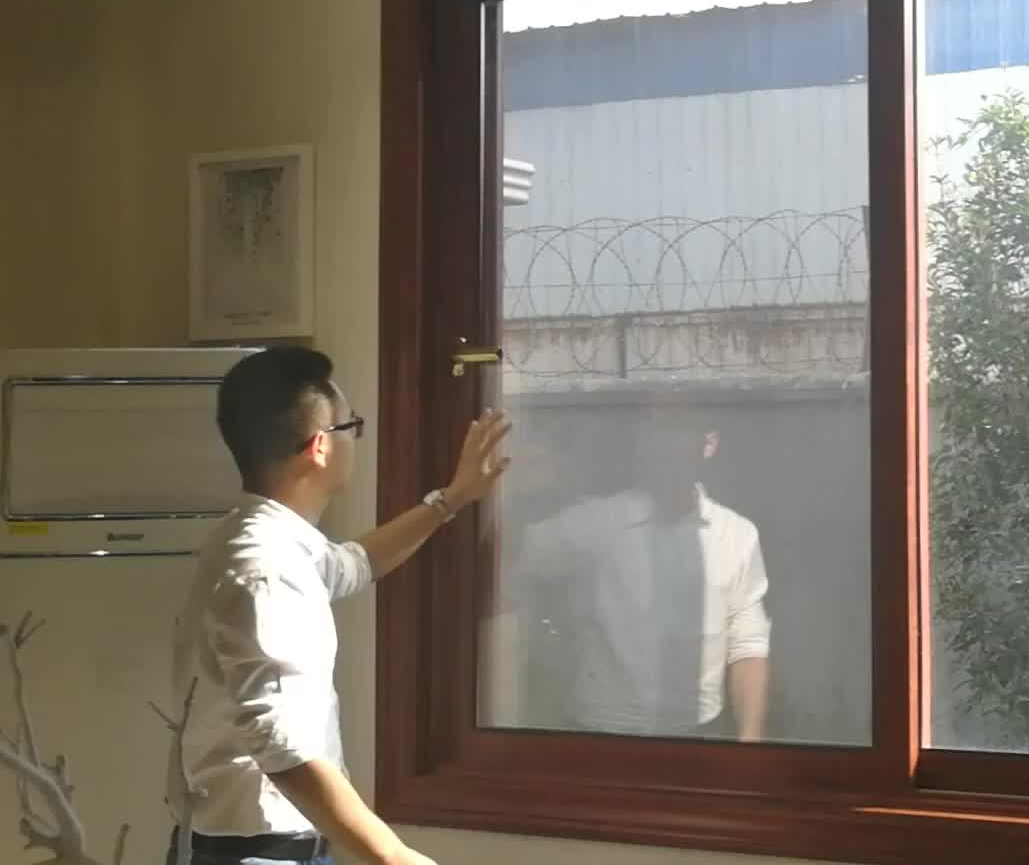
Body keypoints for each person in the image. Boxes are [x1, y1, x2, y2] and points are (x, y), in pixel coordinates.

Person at [167, 345, 511, 865]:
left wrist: (452, 499)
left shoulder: (261, 539)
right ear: (321, 446)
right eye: (353, 426)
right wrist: (394, 857)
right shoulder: (267, 566)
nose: (357, 439)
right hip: (260, 853)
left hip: (257, 845)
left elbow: (354, 564)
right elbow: (283, 747)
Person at [496, 418, 769, 741]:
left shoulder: (737, 534)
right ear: (642, 444)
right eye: (656, 432)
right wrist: (512, 486)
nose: (667, 445)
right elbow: (505, 559)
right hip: (600, 735)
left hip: (698, 736)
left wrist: (751, 744)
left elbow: (748, 643)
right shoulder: (597, 523)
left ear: (708, 444)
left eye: (679, 430)